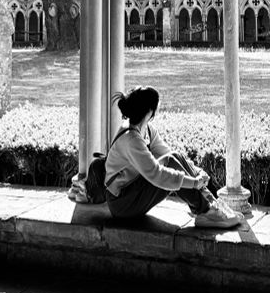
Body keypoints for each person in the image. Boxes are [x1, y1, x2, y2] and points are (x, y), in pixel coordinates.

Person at [104, 86, 244, 228]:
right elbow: (157, 174)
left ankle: (211, 206)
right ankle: (206, 211)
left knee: (174, 156)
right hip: (122, 204)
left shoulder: (146, 130)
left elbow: (170, 154)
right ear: (150, 112)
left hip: (132, 194)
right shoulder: (131, 139)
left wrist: (197, 172)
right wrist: (194, 183)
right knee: (169, 164)